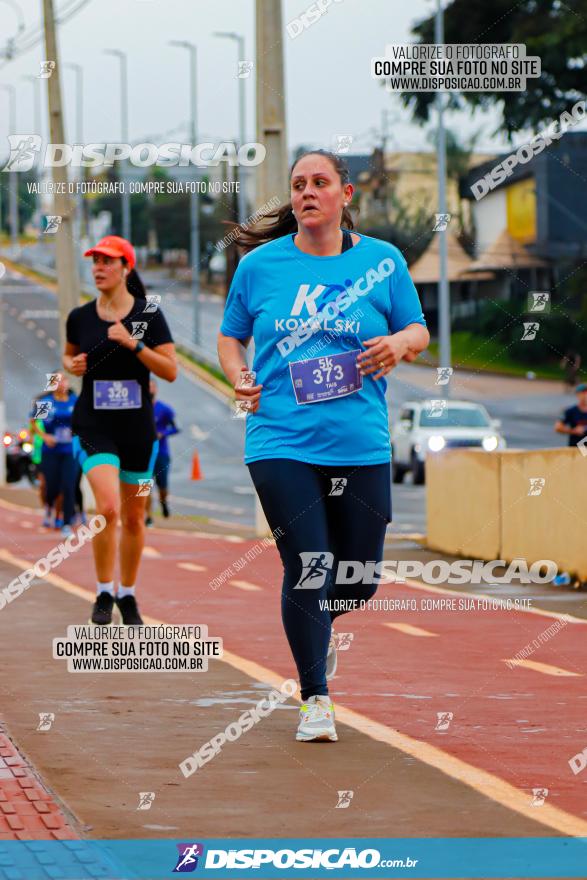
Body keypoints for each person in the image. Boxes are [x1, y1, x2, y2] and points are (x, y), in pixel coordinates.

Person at [217, 149, 429, 743]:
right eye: (298, 184)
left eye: (319, 182)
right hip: (280, 438)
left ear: (345, 194)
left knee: (357, 578)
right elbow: (231, 337)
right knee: (308, 566)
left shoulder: (381, 262)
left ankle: (313, 628)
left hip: (359, 442)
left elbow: (419, 328)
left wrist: (398, 344)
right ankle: (316, 698)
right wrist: (239, 376)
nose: (307, 192)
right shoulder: (260, 267)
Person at [62, 235, 177, 625]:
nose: (98, 268)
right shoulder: (80, 316)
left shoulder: (149, 315)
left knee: (133, 516)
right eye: (94, 261)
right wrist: (71, 365)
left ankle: (127, 593)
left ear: (126, 268)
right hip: (93, 424)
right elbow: (68, 354)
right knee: (108, 506)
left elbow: (170, 371)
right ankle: (103, 591)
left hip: (137, 431)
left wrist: (134, 345)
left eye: (107, 261)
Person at [30, 376, 78, 535]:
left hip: (69, 451)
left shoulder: (74, 401)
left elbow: (84, 422)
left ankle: (66, 523)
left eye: (64, 380)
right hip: (50, 451)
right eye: (57, 381)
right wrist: (45, 437)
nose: (62, 383)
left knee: (69, 485)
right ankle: (49, 507)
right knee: (51, 486)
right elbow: (33, 422)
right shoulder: (46, 402)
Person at [145, 379, 180, 527]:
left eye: (152, 387)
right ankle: (148, 516)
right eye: (148, 387)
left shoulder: (164, 409)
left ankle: (164, 502)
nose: (150, 390)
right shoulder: (140, 409)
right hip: (144, 454)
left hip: (161, 453)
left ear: (156, 390)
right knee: (145, 486)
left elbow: (176, 428)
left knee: (163, 486)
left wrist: (163, 432)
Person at [555, 382, 587, 447]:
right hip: (576, 447)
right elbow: (558, 427)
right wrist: (573, 431)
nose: (585, 395)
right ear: (578, 395)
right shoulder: (571, 411)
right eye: (583, 393)